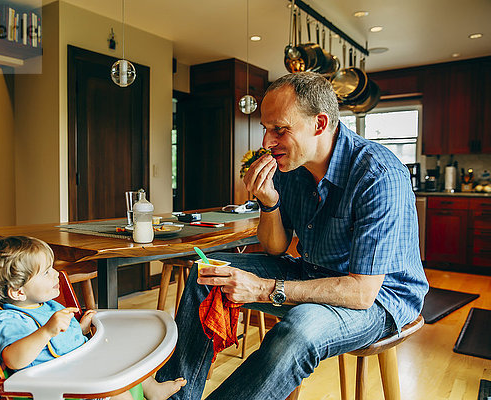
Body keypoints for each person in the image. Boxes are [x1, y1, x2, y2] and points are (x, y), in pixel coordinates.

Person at [156, 72, 429, 399]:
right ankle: (174, 397)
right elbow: (277, 247)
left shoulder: (378, 176)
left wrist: (262, 288)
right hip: (313, 272)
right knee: (208, 274)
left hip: (381, 298)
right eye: (265, 129)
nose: (266, 143)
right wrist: (269, 202)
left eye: (279, 129)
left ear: (319, 123)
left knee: (299, 330)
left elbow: (361, 292)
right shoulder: (291, 167)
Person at [0, 235, 186, 400]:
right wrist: (46, 330)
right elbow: (14, 359)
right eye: (46, 272)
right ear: (18, 292)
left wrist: (80, 329)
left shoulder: (45, 304)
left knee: (122, 356)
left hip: (77, 367)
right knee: (113, 388)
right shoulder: (11, 318)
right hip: (56, 384)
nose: (56, 274)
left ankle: (152, 389)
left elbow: (61, 340)